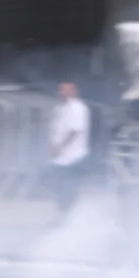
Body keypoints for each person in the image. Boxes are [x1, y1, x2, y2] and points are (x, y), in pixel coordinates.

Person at [47, 81, 92, 214]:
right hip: (60, 156)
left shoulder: (77, 108)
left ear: (73, 91)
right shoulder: (60, 107)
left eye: (65, 90)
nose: (61, 93)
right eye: (60, 90)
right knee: (55, 182)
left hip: (73, 155)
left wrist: (60, 146)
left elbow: (75, 130)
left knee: (67, 184)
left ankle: (68, 211)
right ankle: (64, 209)